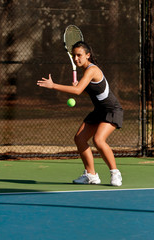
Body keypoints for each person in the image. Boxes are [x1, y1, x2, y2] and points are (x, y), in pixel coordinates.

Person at [37, 41, 123, 186]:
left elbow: (76, 92)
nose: (76, 58)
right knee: (80, 138)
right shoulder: (86, 72)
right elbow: (89, 92)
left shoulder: (91, 70)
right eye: (74, 55)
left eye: (79, 55)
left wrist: (53, 86)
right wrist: (81, 89)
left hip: (112, 110)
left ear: (87, 55)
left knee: (98, 140)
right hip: (99, 110)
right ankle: (91, 175)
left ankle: (115, 173)